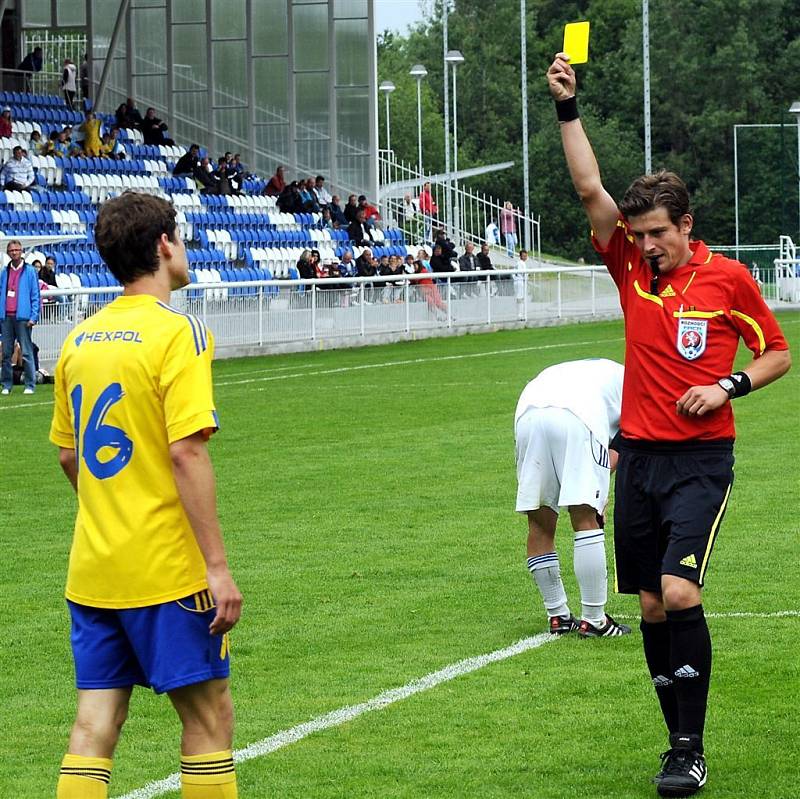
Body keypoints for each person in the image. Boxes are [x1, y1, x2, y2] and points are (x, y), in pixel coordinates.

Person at [547, 52, 791, 798]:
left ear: (686, 225)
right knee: (651, 604)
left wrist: (728, 384)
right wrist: (567, 106)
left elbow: (778, 350)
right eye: (639, 233)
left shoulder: (727, 279)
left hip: (700, 462)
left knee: (680, 594)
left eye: (657, 232)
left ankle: (691, 745)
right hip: (640, 460)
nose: (645, 245)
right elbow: (588, 185)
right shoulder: (627, 265)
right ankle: (674, 743)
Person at [49, 192, 242, 798]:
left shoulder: (78, 340)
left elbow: (67, 454)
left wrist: (114, 511)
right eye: (179, 235)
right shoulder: (177, 332)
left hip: (96, 568)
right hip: (164, 569)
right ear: (163, 244)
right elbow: (187, 451)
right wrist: (215, 566)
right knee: (209, 718)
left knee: (94, 724)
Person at [515, 358, 630, 638]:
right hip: (578, 416)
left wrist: (601, 479)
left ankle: (558, 616)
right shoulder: (636, 385)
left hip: (528, 414)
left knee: (540, 522)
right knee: (584, 518)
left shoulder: (603, 371)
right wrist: (600, 494)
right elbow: (631, 439)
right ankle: (594, 619)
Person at [1, 240, 40, 395]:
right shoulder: (5, 271)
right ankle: (6, 384)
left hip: (23, 317)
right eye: (12, 250)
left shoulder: (30, 271)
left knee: (26, 352)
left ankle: (30, 384)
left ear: (21, 251)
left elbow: (35, 295)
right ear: (8, 252)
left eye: (17, 250)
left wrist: (34, 316)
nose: (14, 253)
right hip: (7, 317)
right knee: (6, 353)